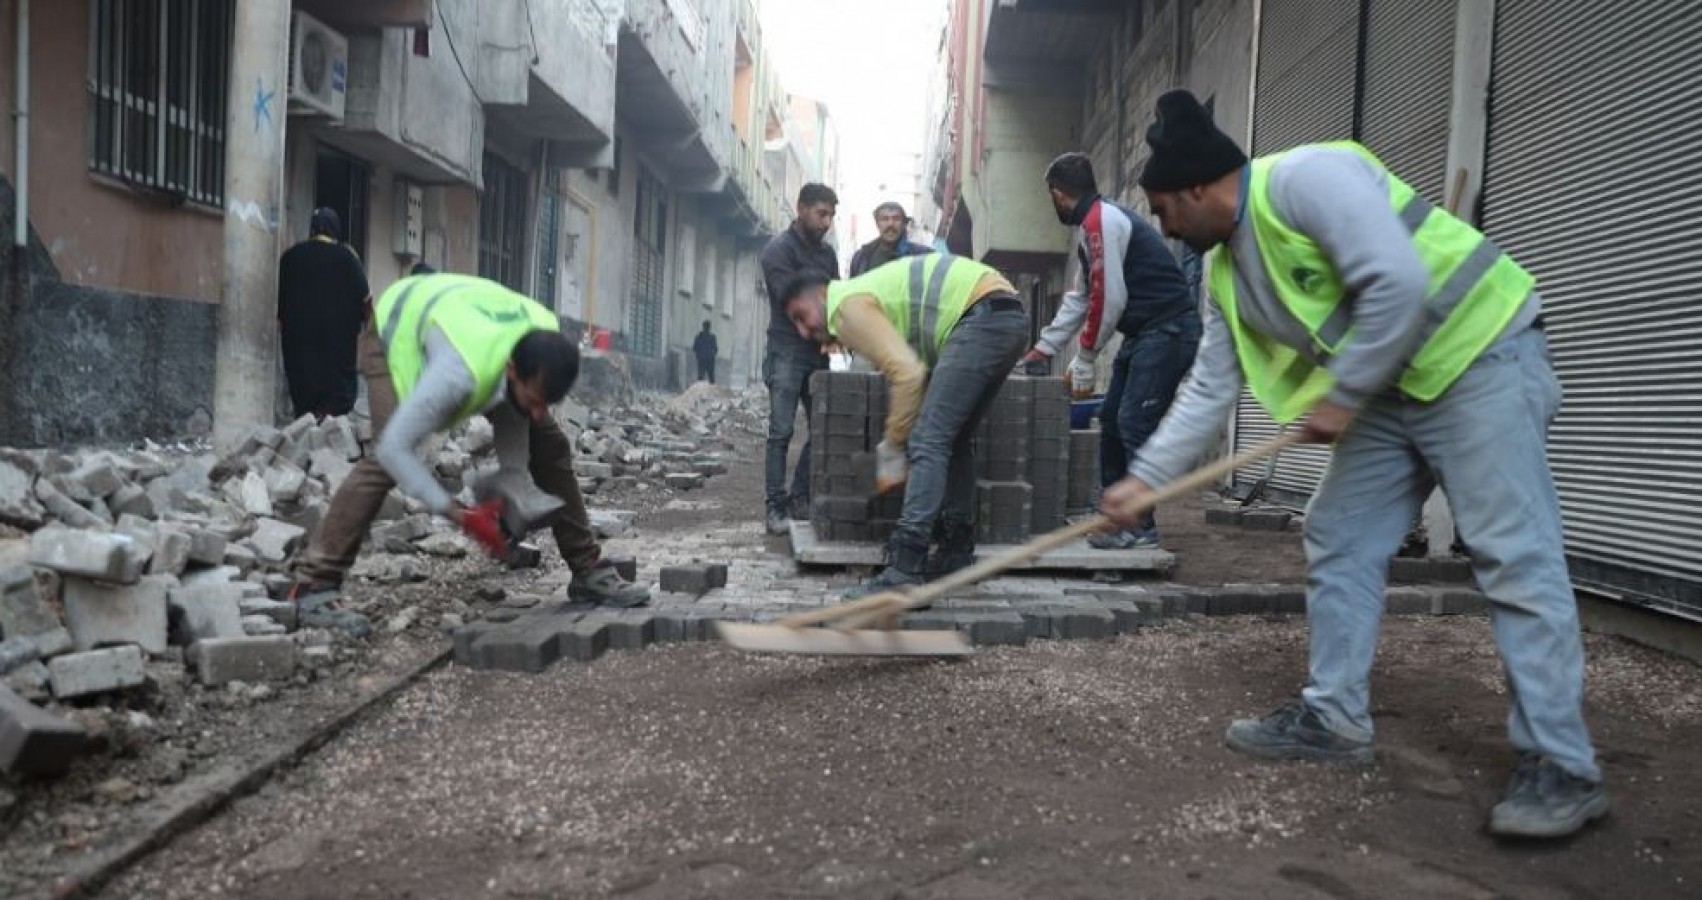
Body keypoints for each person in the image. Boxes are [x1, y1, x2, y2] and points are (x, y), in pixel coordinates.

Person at [1101, 89, 1603, 838]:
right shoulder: (1227, 279)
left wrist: (1343, 393)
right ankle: (1335, 719)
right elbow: (1208, 387)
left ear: (1199, 188)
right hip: (1396, 384)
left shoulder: (1307, 178)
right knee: (1338, 532)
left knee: (1513, 556)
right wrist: (1146, 478)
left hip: (1480, 354)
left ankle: (1563, 766)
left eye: (1165, 208)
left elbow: (1396, 283)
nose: (1164, 226)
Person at [288, 272, 650, 630]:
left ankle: (586, 568)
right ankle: (315, 583)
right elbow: (394, 449)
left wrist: (515, 485)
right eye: (537, 400)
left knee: (549, 440)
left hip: (466, 321)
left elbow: (517, 414)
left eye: (549, 402)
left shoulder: (541, 338)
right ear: (512, 371)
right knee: (383, 461)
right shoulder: (457, 375)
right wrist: (459, 515)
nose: (541, 410)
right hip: (399, 320)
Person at [781, 254, 1029, 599]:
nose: (803, 331)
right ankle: (957, 548)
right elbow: (919, 374)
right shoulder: (868, 298)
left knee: (927, 441)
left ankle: (905, 566)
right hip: (1005, 317)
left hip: (981, 317)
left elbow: (907, 374)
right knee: (952, 439)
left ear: (821, 295)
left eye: (801, 317)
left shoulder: (846, 307)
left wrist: (893, 445)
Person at [1020, 153, 1201, 549]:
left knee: (1134, 422)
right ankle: (1115, 514)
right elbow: (1081, 297)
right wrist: (1042, 349)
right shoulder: (1092, 226)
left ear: (1058, 193)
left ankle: (1140, 526)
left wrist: (1085, 356)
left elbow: (1109, 298)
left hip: (1169, 330)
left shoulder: (1102, 221)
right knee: (1113, 421)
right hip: (1146, 334)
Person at [759, 183, 840, 535]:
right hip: (786, 351)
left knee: (822, 428)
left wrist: (835, 335)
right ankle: (775, 508)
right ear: (802, 208)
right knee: (781, 431)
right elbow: (789, 298)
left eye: (832, 216)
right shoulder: (778, 250)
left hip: (817, 352)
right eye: (822, 213)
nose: (827, 222)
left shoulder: (828, 255)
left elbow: (835, 296)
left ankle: (798, 498)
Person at [278, 208, 370, 419]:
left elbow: (278, 305)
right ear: (335, 230)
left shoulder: (290, 258)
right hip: (338, 358)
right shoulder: (348, 259)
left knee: (304, 412)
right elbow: (366, 302)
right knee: (335, 419)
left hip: (299, 355)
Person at [848, 202, 932, 277]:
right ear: (877, 224)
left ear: (903, 224)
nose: (890, 224)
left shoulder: (923, 256)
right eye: (885, 219)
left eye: (896, 219)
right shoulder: (862, 258)